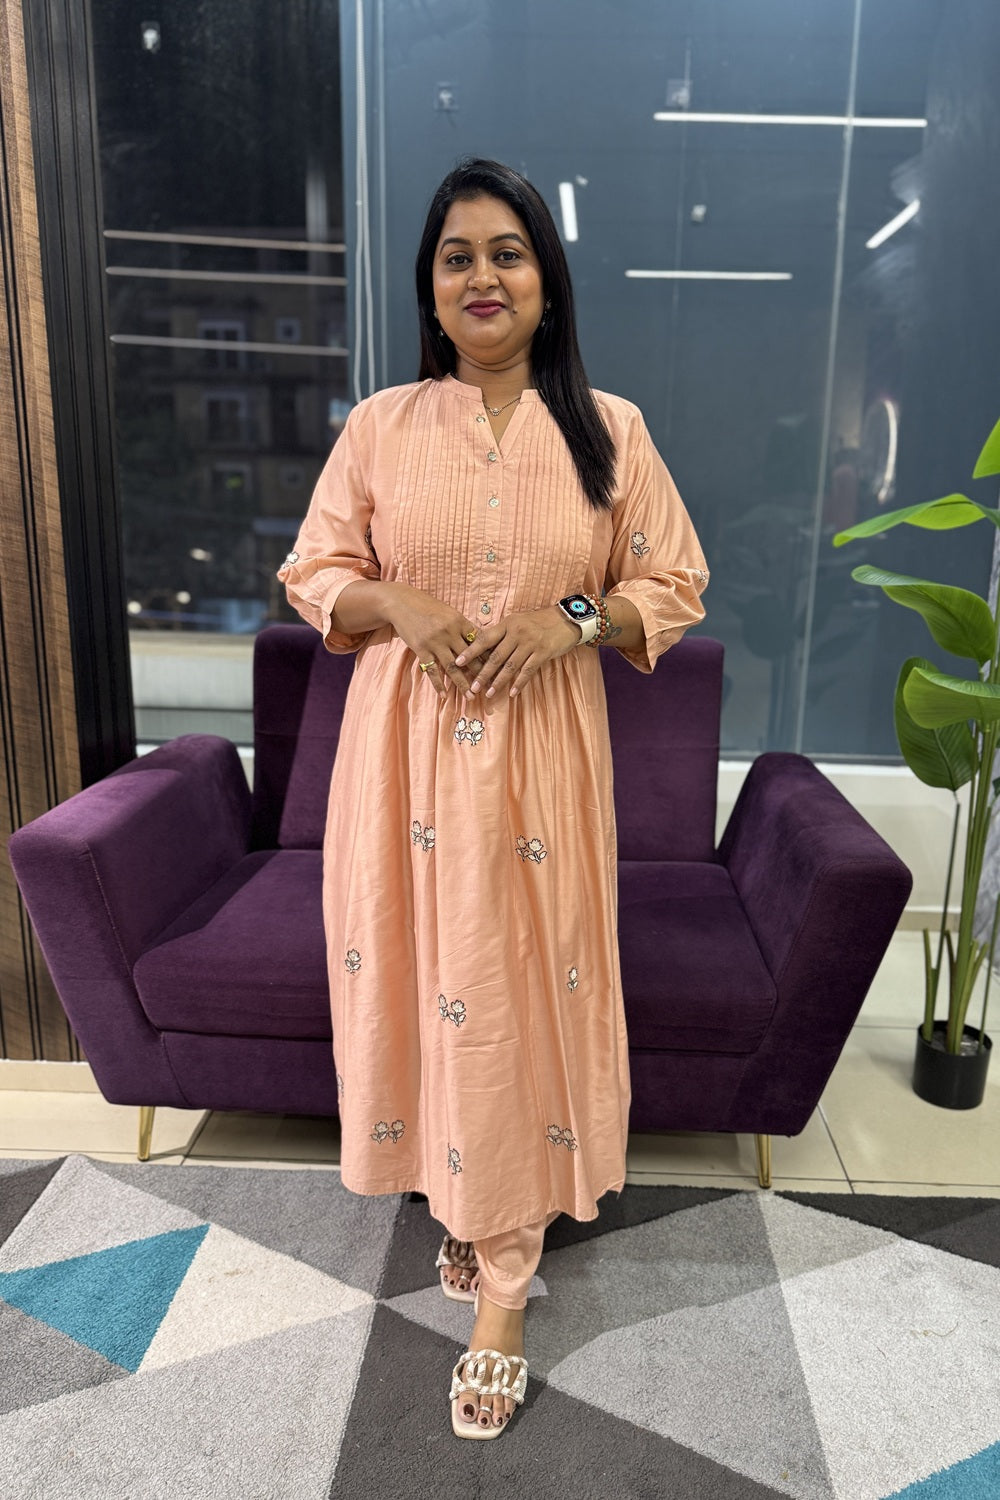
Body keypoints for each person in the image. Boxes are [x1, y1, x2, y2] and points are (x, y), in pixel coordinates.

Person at [278, 157, 708, 1440]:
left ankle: (504, 1294)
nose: (482, 276)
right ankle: (464, 1204)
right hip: (401, 764)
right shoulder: (381, 425)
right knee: (428, 979)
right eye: (456, 255)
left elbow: (671, 584)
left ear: (546, 282)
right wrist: (396, 602)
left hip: (539, 767)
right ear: (430, 286)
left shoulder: (610, 430)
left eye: (507, 253)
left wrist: (566, 617)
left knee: (518, 991)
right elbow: (314, 570)